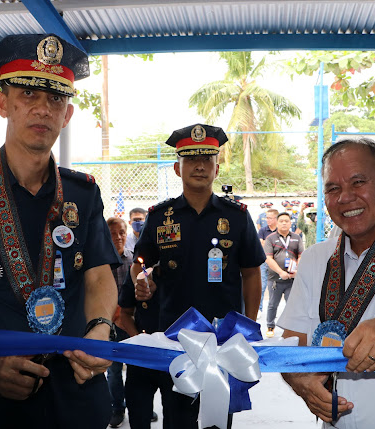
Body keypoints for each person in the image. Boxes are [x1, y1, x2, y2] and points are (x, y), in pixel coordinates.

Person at [0, 34, 120, 429]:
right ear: (2, 103)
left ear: (67, 114)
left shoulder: (82, 193)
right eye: (29, 94)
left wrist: (101, 330)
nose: (42, 108)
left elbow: (99, 273)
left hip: (76, 390)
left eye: (56, 98)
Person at [278, 138, 375, 428]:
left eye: (358, 182)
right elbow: (291, 341)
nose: (345, 197)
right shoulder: (314, 259)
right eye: (332, 188)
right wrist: (298, 379)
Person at [131, 123, 265, 429]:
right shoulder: (159, 216)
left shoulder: (237, 216)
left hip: (224, 340)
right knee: (176, 416)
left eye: (207, 159)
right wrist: (141, 280)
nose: (200, 166)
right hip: (176, 338)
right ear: (177, 169)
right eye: (191, 159)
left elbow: (251, 273)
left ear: (217, 168)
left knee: (219, 418)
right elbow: (140, 264)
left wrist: (249, 328)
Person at [118, 272, 169, 429]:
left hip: (173, 358)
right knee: (138, 416)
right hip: (142, 359)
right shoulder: (138, 273)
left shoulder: (181, 270)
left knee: (177, 418)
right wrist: (138, 338)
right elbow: (124, 313)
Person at [106, 217, 133, 428]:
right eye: (113, 233)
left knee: (135, 368)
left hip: (129, 323)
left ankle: (139, 406)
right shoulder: (101, 262)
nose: (118, 237)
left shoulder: (133, 262)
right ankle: (117, 408)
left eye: (122, 232)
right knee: (113, 370)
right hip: (109, 325)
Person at [263, 212, 304, 338]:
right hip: (275, 279)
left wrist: (297, 270)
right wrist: (281, 272)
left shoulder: (297, 238)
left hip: (292, 279)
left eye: (287, 221)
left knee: (291, 304)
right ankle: (270, 326)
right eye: (281, 221)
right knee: (273, 304)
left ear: (291, 223)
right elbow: (268, 258)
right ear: (277, 223)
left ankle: (290, 328)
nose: (284, 223)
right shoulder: (270, 238)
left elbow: (301, 255)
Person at [256, 208, 278, 314]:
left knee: (277, 286)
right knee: (262, 284)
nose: (267, 220)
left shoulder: (280, 230)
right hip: (264, 260)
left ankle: (273, 310)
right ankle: (259, 309)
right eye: (267, 218)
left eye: (270, 218)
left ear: (276, 218)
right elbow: (261, 244)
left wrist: (267, 243)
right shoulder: (262, 230)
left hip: (277, 262)